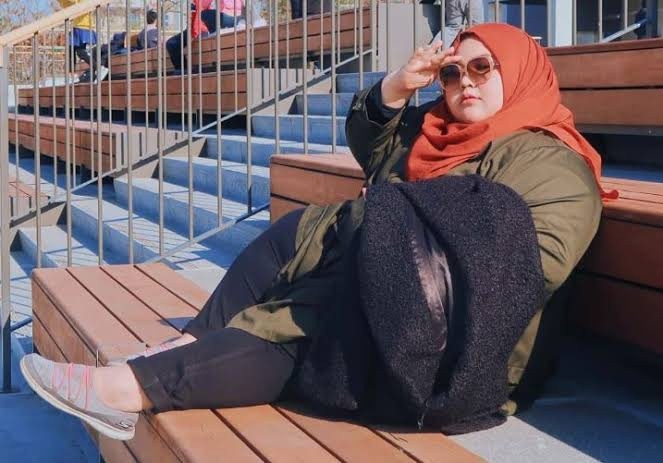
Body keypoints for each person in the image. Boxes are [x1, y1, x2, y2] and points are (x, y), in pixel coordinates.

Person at [21, 23, 614, 440]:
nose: (465, 83)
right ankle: (192, 345)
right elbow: (376, 147)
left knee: (300, 316)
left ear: (521, 72)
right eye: (453, 71)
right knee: (294, 234)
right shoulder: (438, 131)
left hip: (459, 346)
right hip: (393, 277)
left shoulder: (549, 163)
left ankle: (128, 390)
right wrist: (398, 87)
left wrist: (389, 229)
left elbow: (521, 267)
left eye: (483, 68)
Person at [166, 0, 245, 73]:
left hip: (211, 23)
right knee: (171, 43)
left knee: (172, 43)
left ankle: (184, 71)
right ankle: (184, 70)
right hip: (214, 21)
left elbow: (201, 10)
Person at [58, 0, 98, 81]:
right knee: (70, 49)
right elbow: (66, 5)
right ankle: (71, 74)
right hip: (77, 27)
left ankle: (97, 67)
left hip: (84, 27)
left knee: (80, 52)